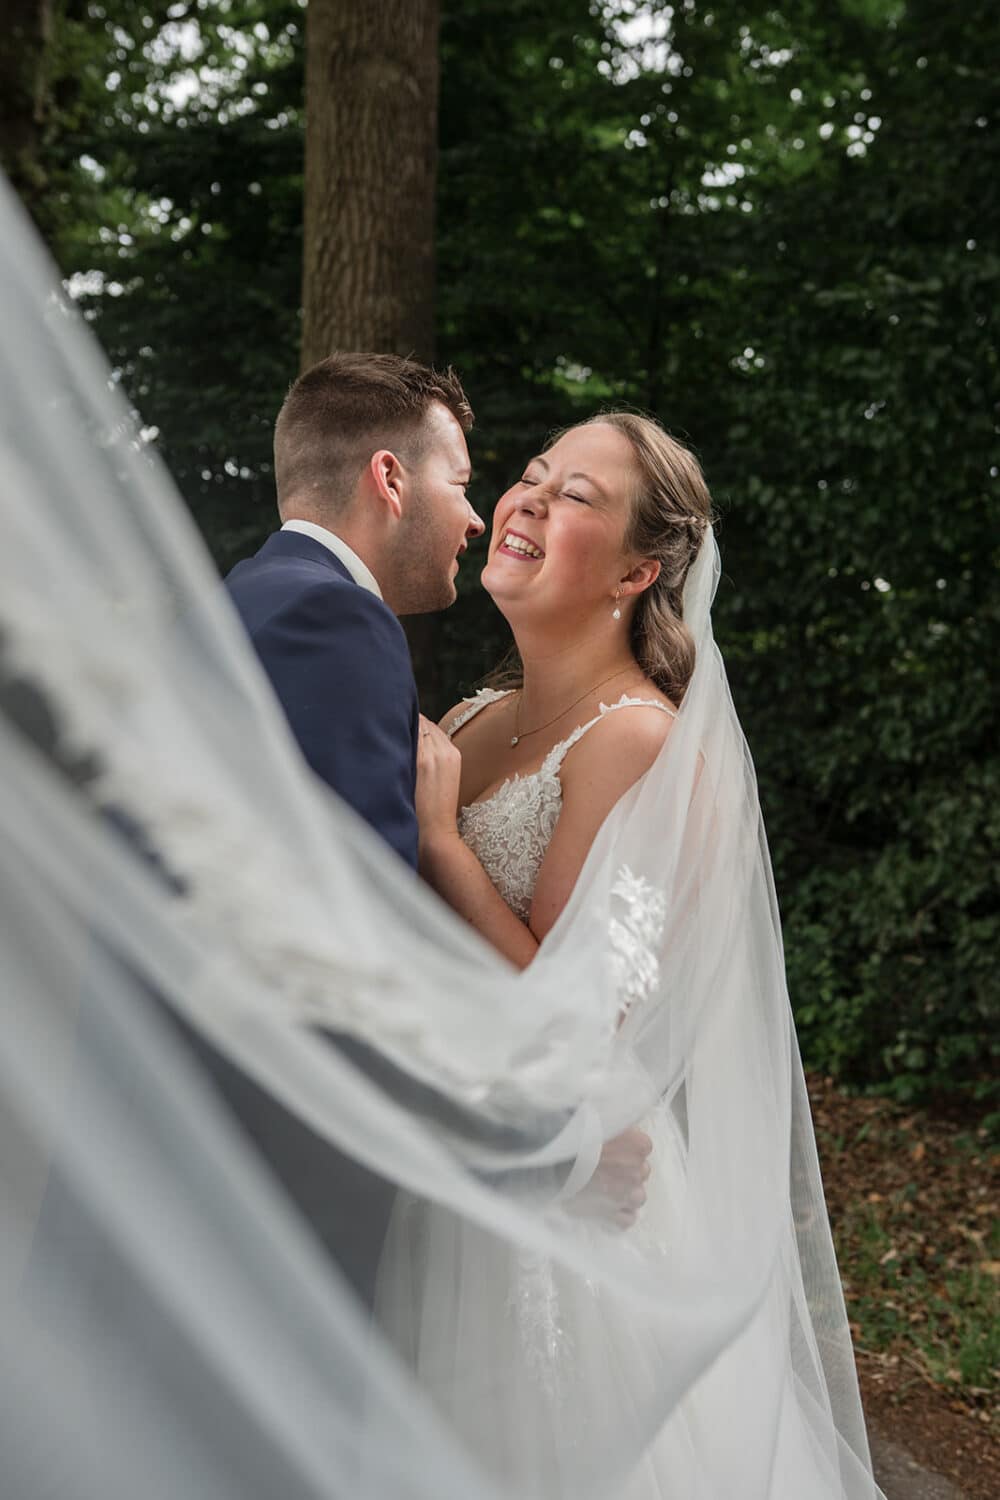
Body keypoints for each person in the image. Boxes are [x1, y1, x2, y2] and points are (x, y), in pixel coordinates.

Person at [378, 412, 882, 1497]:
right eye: (531, 475)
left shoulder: (638, 741)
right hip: (450, 1163)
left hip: (556, 1221)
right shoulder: (468, 718)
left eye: (575, 496)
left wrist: (440, 846)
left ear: (636, 572)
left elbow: (574, 1019)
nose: (527, 497)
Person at [224, 352, 485, 868]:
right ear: (390, 479)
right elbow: (364, 890)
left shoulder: (245, 593)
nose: (475, 520)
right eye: (460, 485)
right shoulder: (337, 618)